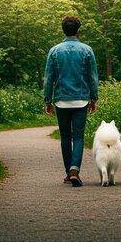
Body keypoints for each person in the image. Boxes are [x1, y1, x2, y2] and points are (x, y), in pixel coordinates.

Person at [43, 16, 99, 187]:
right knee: (78, 136)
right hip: (81, 99)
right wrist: (94, 98)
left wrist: (48, 100)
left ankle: (69, 173)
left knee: (65, 137)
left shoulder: (54, 51)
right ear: (78, 30)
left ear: (63, 30)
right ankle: (75, 169)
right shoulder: (87, 50)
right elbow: (92, 77)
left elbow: (48, 78)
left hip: (61, 100)